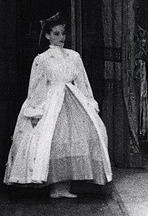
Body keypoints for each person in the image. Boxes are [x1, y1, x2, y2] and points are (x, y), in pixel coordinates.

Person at [4, 13, 112, 198]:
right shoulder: (42, 59)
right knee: (51, 140)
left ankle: (66, 186)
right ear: (47, 35)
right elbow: (37, 87)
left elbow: (82, 81)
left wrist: (89, 102)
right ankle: (55, 187)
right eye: (56, 34)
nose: (61, 37)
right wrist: (36, 111)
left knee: (72, 140)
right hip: (51, 102)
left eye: (63, 33)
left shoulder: (74, 56)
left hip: (73, 100)